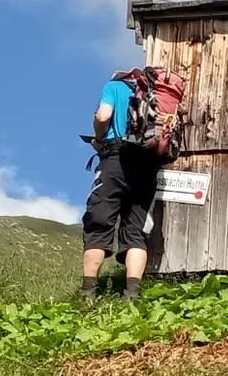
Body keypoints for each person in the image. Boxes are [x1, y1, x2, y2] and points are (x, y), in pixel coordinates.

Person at [81, 72, 160, 300]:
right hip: (147, 164)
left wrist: (98, 138)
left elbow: (103, 116)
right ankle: (132, 294)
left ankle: (88, 293)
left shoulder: (114, 86)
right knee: (136, 230)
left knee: (98, 223)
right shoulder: (153, 91)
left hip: (115, 158)